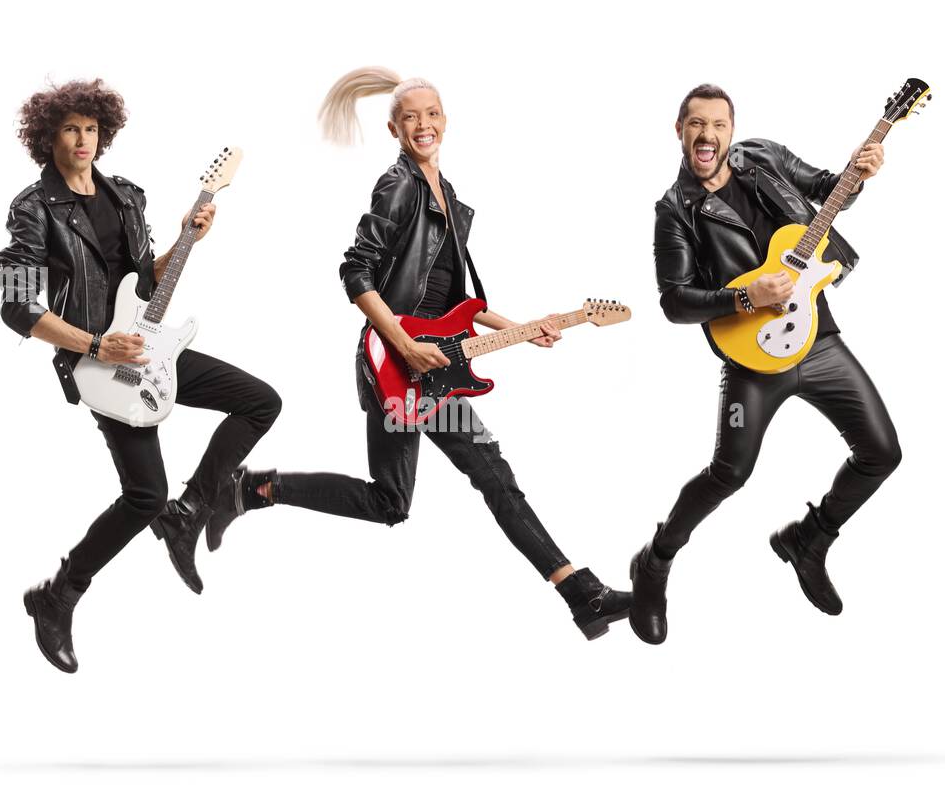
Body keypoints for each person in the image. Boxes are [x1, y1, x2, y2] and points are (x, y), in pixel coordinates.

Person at [204, 67, 631, 640]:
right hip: (396, 364)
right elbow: (355, 270)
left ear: (446, 123)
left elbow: (457, 302)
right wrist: (404, 343)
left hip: (430, 364)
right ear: (394, 128)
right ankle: (582, 594)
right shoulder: (399, 185)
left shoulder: (448, 198)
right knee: (492, 472)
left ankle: (252, 489)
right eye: (411, 117)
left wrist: (524, 327)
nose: (423, 125)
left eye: (432, 115)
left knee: (390, 501)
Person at [0, 78, 281, 673]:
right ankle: (58, 596)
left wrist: (186, 238)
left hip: (148, 345)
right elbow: (17, 308)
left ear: (104, 134)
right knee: (144, 493)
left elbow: (142, 282)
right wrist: (97, 343)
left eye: (91, 129)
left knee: (260, 401)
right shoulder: (32, 208)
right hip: (97, 363)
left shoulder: (126, 196)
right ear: (48, 136)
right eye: (70, 129)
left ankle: (191, 508)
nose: (82, 139)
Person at [629, 83, 901, 645]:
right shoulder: (675, 211)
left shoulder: (765, 158)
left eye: (718, 125)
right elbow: (674, 301)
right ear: (679, 130)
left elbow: (831, 195)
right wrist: (747, 297)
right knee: (729, 474)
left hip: (819, 340)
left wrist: (859, 169)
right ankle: (654, 562)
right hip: (751, 359)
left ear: (732, 129)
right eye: (696, 125)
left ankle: (811, 537)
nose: (708, 135)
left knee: (882, 452)